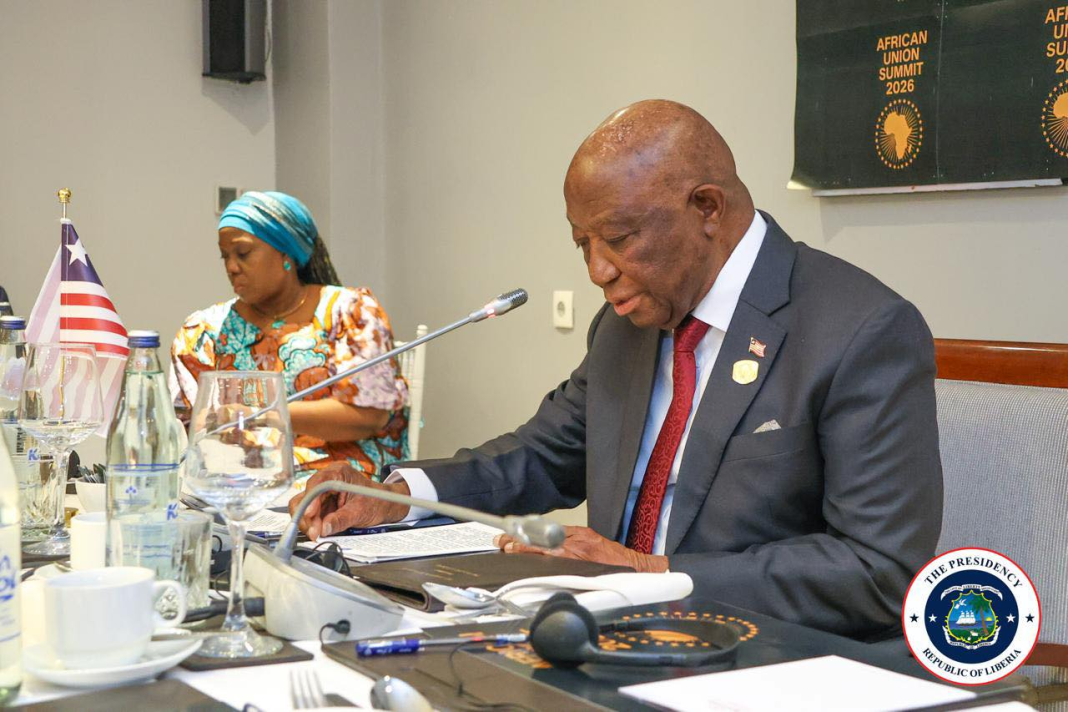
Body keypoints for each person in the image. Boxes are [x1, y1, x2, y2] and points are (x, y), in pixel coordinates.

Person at [290, 101, 943, 640]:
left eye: (620, 238)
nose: (597, 271)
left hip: (756, 653)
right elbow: (543, 455)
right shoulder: (628, 325)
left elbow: (879, 569)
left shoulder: (859, 330)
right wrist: (395, 495)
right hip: (600, 637)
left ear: (707, 208)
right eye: (583, 243)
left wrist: (648, 571)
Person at [170, 191, 409, 480]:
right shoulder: (205, 331)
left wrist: (260, 415)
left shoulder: (350, 312)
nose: (231, 267)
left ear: (286, 254)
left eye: (243, 253)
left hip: (338, 482)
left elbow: (369, 417)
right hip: (237, 481)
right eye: (225, 256)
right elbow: (191, 426)